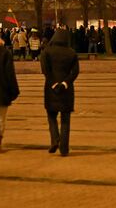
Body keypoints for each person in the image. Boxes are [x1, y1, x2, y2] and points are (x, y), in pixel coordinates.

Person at [40, 29, 79, 157]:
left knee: (51, 116)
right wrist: (65, 83)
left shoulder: (47, 52)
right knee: (65, 119)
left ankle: (55, 139)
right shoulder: (71, 53)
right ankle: (64, 148)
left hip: (51, 89)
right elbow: (75, 71)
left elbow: (45, 70)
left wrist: (54, 83)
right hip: (67, 91)